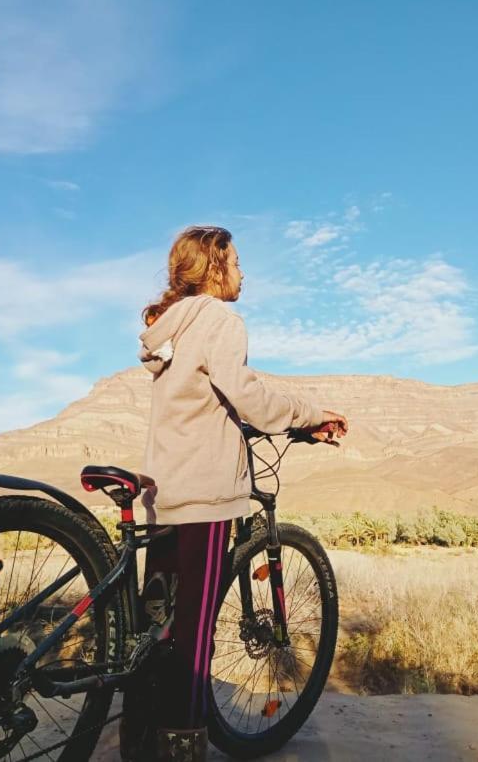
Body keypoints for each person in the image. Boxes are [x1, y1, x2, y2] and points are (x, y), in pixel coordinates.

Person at [123, 225, 347, 761]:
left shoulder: (171, 328)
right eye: (239, 261)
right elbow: (246, 395)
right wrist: (311, 415)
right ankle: (182, 748)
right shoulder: (221, 320)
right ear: (216, 267)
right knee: (195, 637)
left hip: (164, 493)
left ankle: (139, 742)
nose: (246, 272)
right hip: (205, 495)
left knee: (156, 625)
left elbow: (210, 394)